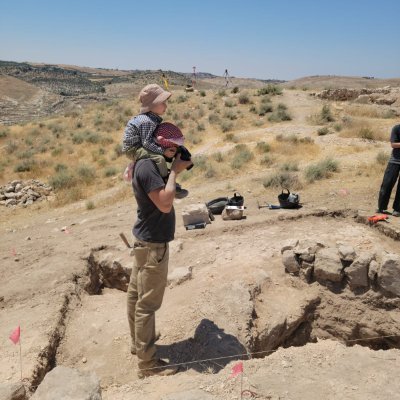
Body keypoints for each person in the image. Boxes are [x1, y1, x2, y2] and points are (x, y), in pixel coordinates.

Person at [126, 125, 192, 379]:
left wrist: (173, 168)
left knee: (135, 295)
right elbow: (165, 204)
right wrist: (175, 171)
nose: (174, 155)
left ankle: (138, 344)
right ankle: (148, 364)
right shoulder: (149, 168)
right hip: (153, 244)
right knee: (147, 304)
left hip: (144, 239)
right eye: (172, 149)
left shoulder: (147, 162)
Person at [122, 83, 187, 198]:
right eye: (162, 103)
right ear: (152, 105)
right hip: (134, 148)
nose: (165, 106)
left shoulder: (151, 119)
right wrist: (162, 151)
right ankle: (166, 184)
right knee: (159, 158)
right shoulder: (147, 121)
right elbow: (146, 143)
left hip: (141, 144)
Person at [377, 124, 400, 216]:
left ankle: (397, 210)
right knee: (387, 184)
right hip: (394, 161)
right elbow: (393, 144)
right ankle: (381, 208)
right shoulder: (397, 128)